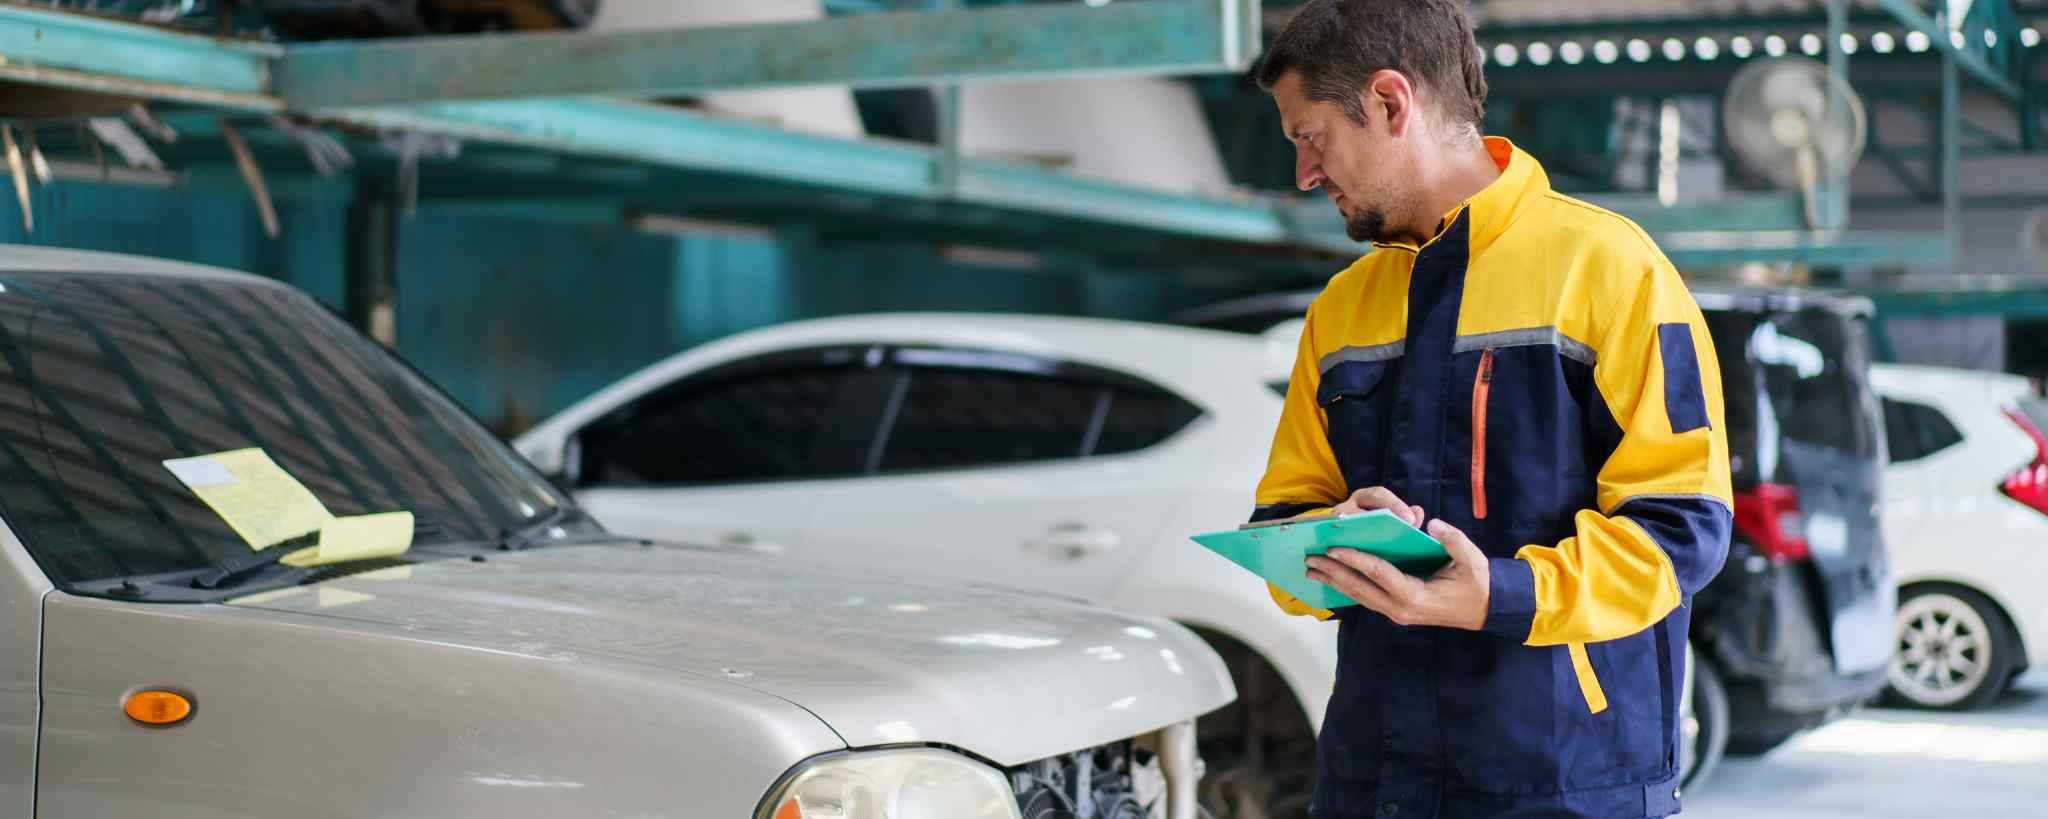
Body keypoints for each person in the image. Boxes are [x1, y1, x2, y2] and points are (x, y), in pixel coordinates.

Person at [1248, 2, 1733, 817]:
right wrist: (1333, 533)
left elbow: (1683, 528)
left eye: (1310, 136)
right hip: (1374, 778)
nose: (1304, 173)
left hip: (1566, 780)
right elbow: (1279, 525)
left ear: (1392, 103)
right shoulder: (1342, 307)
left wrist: (1502, 593)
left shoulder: (1611, 271)